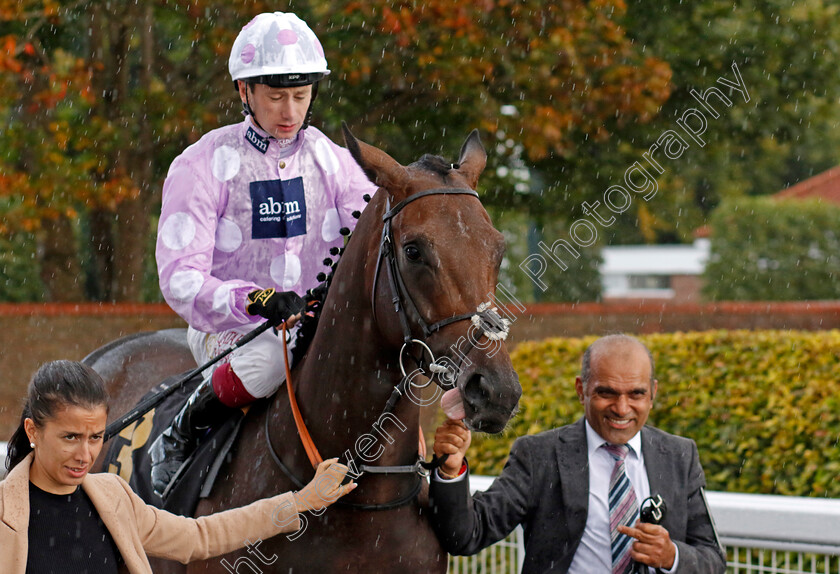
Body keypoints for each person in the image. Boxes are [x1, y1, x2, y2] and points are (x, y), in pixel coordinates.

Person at [151, 11, 377, 494]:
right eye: (275, 97)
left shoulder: (332, 160)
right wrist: (257, 300)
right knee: (277, 355)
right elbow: (180, 278)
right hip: (234, 329)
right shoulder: (201, 163)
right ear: (244, 92)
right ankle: (180, 433)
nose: (290, 112)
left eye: (300, 96)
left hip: (318, 322)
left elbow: (370, 236)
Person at [1, 360, 355, 573]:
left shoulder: (113, 496)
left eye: (95, 437)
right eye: (70, 438)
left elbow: (199, 537)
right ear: (33, 430)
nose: (85, 455)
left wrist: (298, 502)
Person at [429, 334, 726, 574]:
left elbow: (713, 559)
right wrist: (450, 472)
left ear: (653, 393)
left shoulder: (679, 455)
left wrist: (671, 556)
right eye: (606, 393)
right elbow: (465, 536)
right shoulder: (539, 456)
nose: (622, 409)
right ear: (581, 390)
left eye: (636, 394)